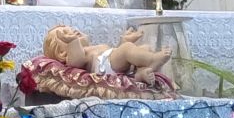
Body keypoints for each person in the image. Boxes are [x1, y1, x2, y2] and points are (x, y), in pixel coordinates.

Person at [43, 25, 173, 85]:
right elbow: (76, 61)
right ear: (62, 53)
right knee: (127, 49)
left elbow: (116, 53)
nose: (73, 31)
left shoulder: (92, 47)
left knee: (144, 48)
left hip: (111, 60)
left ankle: (140, 73)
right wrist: (73, 42)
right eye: (65, 33)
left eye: (71, 29)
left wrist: (124, 40)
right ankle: (152, 60)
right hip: (104, 66)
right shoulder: (81, 54)